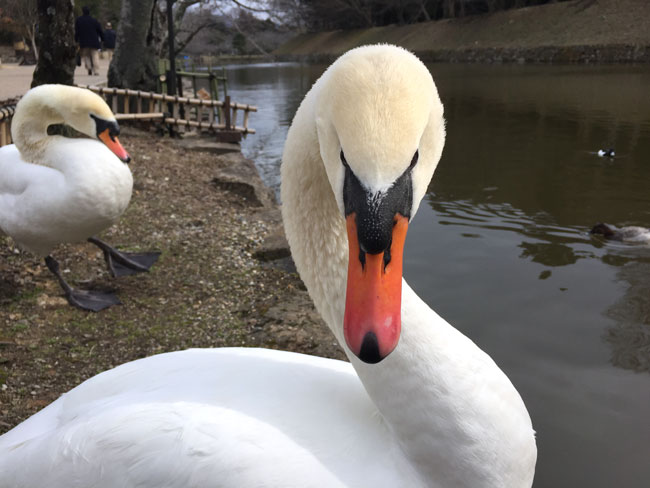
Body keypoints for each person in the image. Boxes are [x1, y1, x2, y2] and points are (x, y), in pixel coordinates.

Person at [74, 6, 104, 75]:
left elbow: (77, 31)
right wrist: (102, 38)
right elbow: (100, 30)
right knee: (95, 55)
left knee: (86, 56)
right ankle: (96, 70)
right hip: (94, 41)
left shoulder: (79, 20)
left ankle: (89, 67)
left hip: (84, 41)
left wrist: (76, 39)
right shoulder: (94, 20)